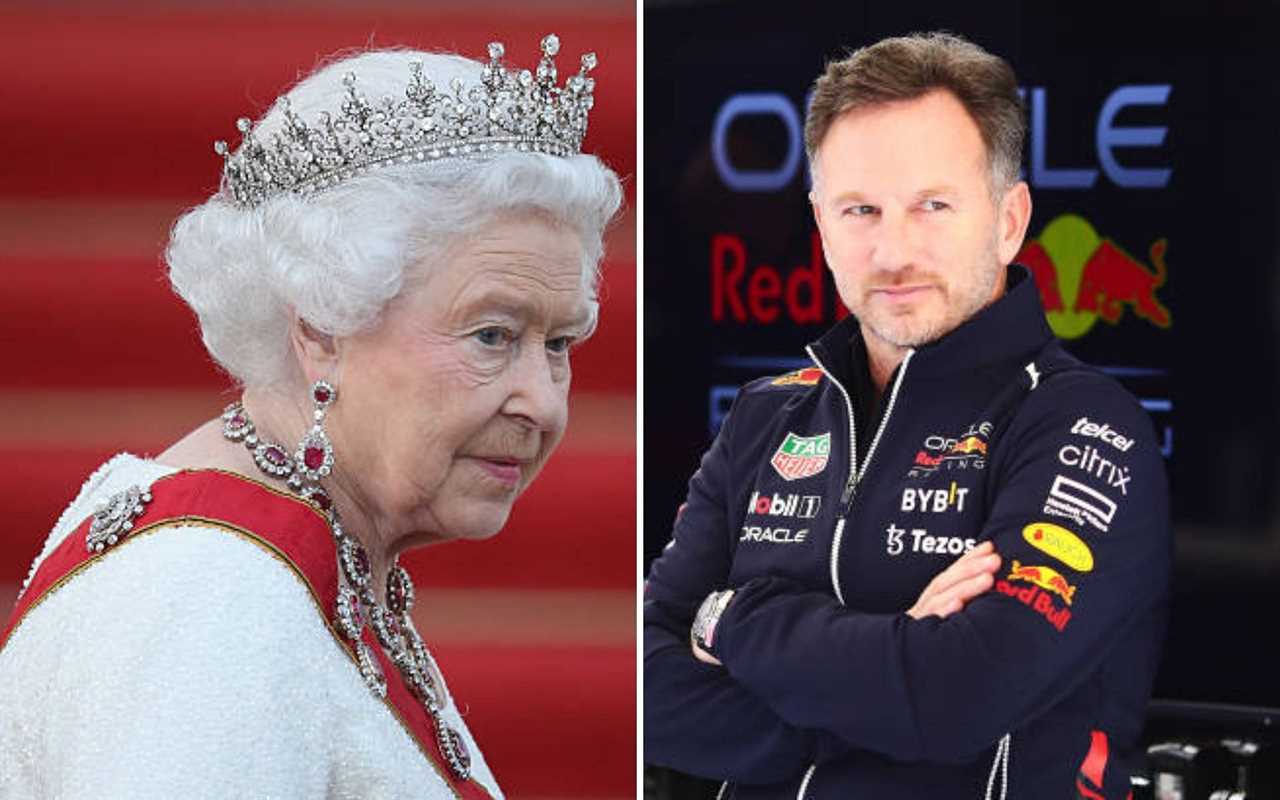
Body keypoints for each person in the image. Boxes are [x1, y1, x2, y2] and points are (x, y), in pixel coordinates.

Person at [0, 35, 621, 798]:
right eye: (492, 335)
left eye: (559, 343)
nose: (544, 400)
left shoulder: (296, 558)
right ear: (321, 328)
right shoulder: (209, 601)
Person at [644, 32, 1170, 800]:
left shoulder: (1084, 426)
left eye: (933, 205)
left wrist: (730, 618)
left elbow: (956, 697)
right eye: (862, 210)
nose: (894, 250)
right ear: (821, 227)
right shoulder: (766, 416)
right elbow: (642, 688)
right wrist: (865, 714)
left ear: (1009, 218)